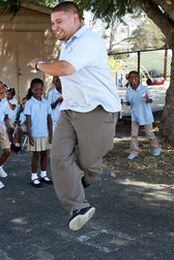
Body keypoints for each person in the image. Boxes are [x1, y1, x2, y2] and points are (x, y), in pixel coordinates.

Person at [27, 1, 120, 231]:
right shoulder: (67, 43)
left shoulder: (89, 41)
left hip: (98, 110)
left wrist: (40, 64)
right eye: (52, 23)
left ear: (76, 18)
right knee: (58, 156)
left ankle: (84, 179)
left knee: (88, 163)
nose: (54, 26)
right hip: (71, 110)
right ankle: (78, 206)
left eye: (59, 21)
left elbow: (66, 69)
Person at [124, 70, 161, 160]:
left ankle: (157, 148)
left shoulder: (145, 89)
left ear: (138, 78)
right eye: (131, 77)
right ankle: (134, 151)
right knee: (134, 135)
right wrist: (125, 102)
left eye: (135, 77)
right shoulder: (129, 90)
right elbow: (128, 102)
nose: (133, 79)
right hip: (135, 116)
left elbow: (151, 100)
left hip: (145, 115)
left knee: (149, 133)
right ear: (129, 79)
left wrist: (147, 99)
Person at [24, 78, 53, 188]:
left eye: (41, 89)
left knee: (45, 154)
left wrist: (51, 133)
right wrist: (29, 134)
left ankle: (44, 175)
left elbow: (49, 118)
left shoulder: (46, 102)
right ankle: (34, 176)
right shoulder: (29, 103)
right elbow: (28, 120)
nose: (39, 92)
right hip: (35, 134)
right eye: (36, 90)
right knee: (36, 155)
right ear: (32, 90)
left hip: (45, 133)